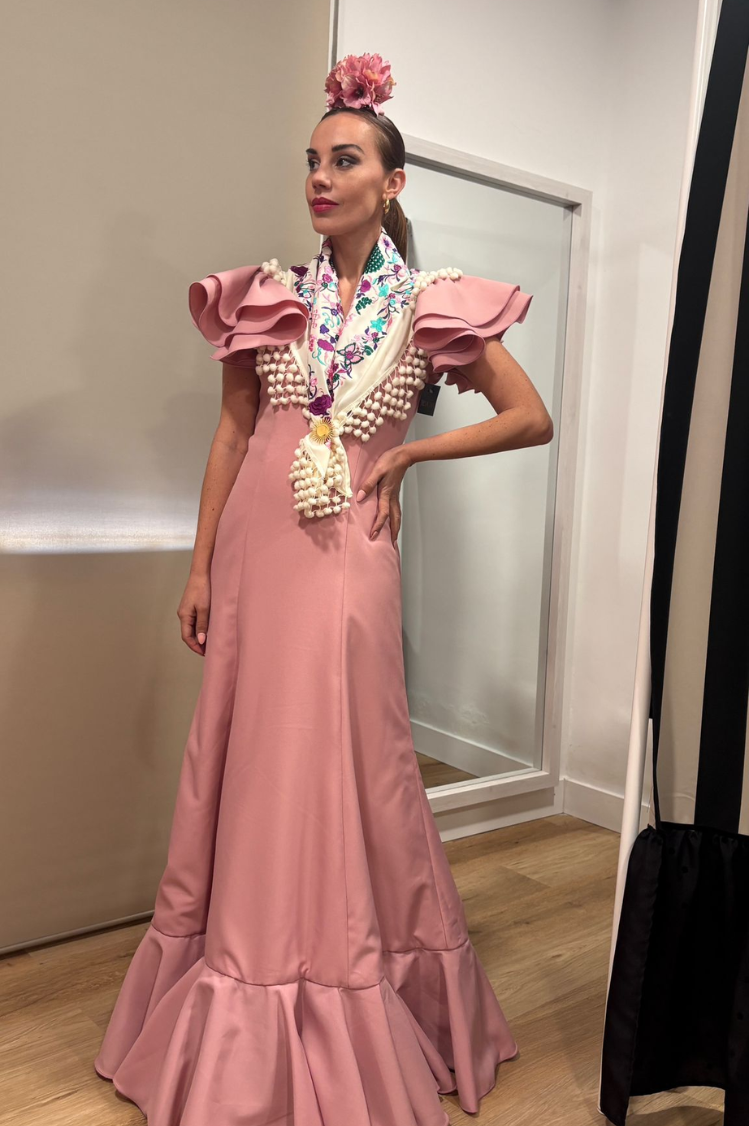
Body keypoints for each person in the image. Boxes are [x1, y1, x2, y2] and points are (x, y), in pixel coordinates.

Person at [94, 52, 552, 1126]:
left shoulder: (432, 303)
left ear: (391, 183)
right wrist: (200, 564)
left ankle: (355, 972)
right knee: (248, 753)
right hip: (257, 552)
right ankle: (236, 975)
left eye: (343, 160)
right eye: (311, 160)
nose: (319, 176)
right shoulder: (265, 295)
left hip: (350, 554)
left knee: (359, 758)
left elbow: (529, 417)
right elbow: (231, 437)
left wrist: (410, 455)